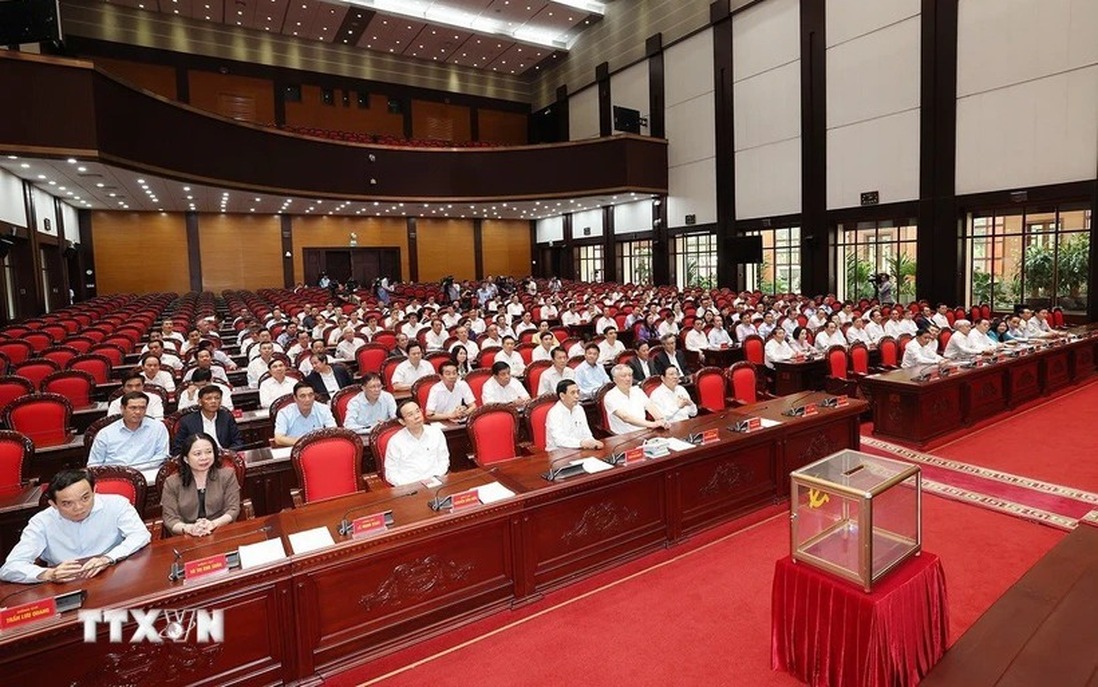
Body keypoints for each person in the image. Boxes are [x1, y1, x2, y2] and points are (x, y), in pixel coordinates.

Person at [0, 469, 151, 584]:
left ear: (94, 491)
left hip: (113, 575)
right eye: (67, 504)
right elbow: (9, 568)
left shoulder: (116, 504)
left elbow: (140, 535)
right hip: (65, 584)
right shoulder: (41, 522)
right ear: (53, 504)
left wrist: (108, 558)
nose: (79, 507)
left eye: (85, 498)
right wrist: (48, 574)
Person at [161, 433, 241, 537]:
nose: (204, 457)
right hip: (186, 536)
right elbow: (170, 519)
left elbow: (233, 509)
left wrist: (213, 524)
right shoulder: (172, 482)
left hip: (221, 531)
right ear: (186, 459)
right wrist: (190, 529)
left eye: (209, 452)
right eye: (197, 454)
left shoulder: (227, 475)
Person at [88, 391, 170, 482]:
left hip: (149, 474)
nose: (138, 412)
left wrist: (136, 470)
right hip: (115, 478)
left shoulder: (158, 427)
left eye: (142, 408)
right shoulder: (105, 433)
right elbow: (93, 465)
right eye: (133, 408)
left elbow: (162, 455)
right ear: (122, 409)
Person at [384, 401, 450, 486]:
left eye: (418, 411)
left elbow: (444, 460)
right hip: (409, 488)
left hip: (436, 483)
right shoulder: (395, 442)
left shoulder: (436, 432)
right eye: (410, 415)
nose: (417, 416)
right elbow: (391, 473)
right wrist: (410, 486)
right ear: (402, 421)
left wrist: (436, 477)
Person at [172, 385, 244, 454]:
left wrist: (228, 453)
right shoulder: (187, 421)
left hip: (224, 457)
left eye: (217, 398)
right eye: (208, 398)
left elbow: (238, 441)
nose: (213, 401)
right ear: (200, 402)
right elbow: (178, 448)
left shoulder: (226, 417)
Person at [602, 365, 669, 435]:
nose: (628, 379)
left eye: (630, 375)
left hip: (644, 432)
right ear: (614, 379)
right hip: (623, 437)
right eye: (623, 376)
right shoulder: (610, 396)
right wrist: (652, 424)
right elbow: (625, 417)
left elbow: (650, 407)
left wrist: (661, 419)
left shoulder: (637, 391)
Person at [545, 380, 604, 451]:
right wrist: (581, 443)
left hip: (580, 449)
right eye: (572, 393)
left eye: (578, 392)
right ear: (562, 396)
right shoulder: (554, 413)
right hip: (558, 453)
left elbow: (586, 433)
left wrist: (592, 443)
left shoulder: (579, 409)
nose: (577, 396)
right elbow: (559, 440)